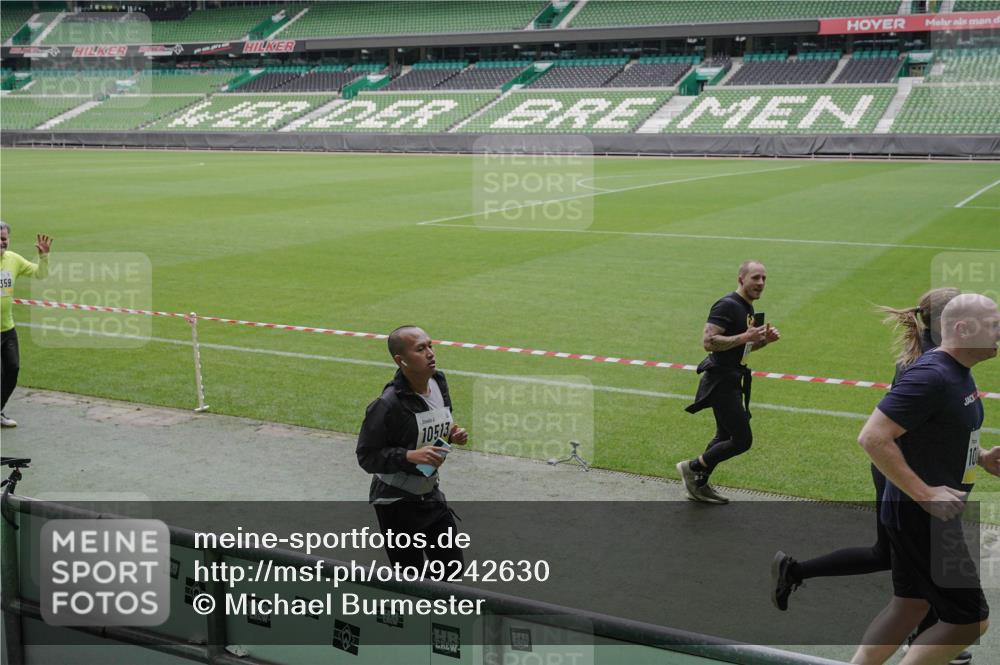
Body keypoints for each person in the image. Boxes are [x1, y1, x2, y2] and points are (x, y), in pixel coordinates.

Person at [772, 287, 974, 665]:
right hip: (905, 478)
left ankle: (795, 570)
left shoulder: (934, 359)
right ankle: (928, 636)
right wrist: (924, 491)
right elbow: (879, 436)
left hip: (904, 475)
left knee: (893, 559)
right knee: (918, 562)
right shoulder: (932, 367)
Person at [851, 293, 1000, 665]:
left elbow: (930, 435)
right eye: (995, 325)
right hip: (923, 518)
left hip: (918, 515)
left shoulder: (956, 372)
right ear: (964, 329)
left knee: (910, 606)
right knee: (969, 621)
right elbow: (873, 437)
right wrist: (925, 494)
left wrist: (981, 458)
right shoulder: (932, 376)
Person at [356, 325, 469, 569]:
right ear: (401, 360)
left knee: (451, 566)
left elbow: (437, 421)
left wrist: (452, 433)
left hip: (430, 494)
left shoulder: (438, 381)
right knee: (410, 577)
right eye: (420, 349)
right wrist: (409, 456)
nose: (430, 353)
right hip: (396, 503)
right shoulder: (386, 405)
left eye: (430, 345)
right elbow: (367, 457)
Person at [676, 260, 780, 504]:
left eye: (764, 278)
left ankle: (698, 484)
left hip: (732, 377)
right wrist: (746, 336)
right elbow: (709, 342)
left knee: (724, 436)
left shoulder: (747, 309)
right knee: (742, 440)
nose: (761, 283)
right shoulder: (727, 305)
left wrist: (763, 342)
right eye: (755, 277)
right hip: (721, 381)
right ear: (741, 279)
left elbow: (741, 348)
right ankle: (691, 468)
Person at [1, 222, 53, 428]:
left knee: (12, 370)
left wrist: (44, 257)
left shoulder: (13, 260)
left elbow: (40, 274)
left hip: (7, 329)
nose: (1, 242)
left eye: (4, 238)